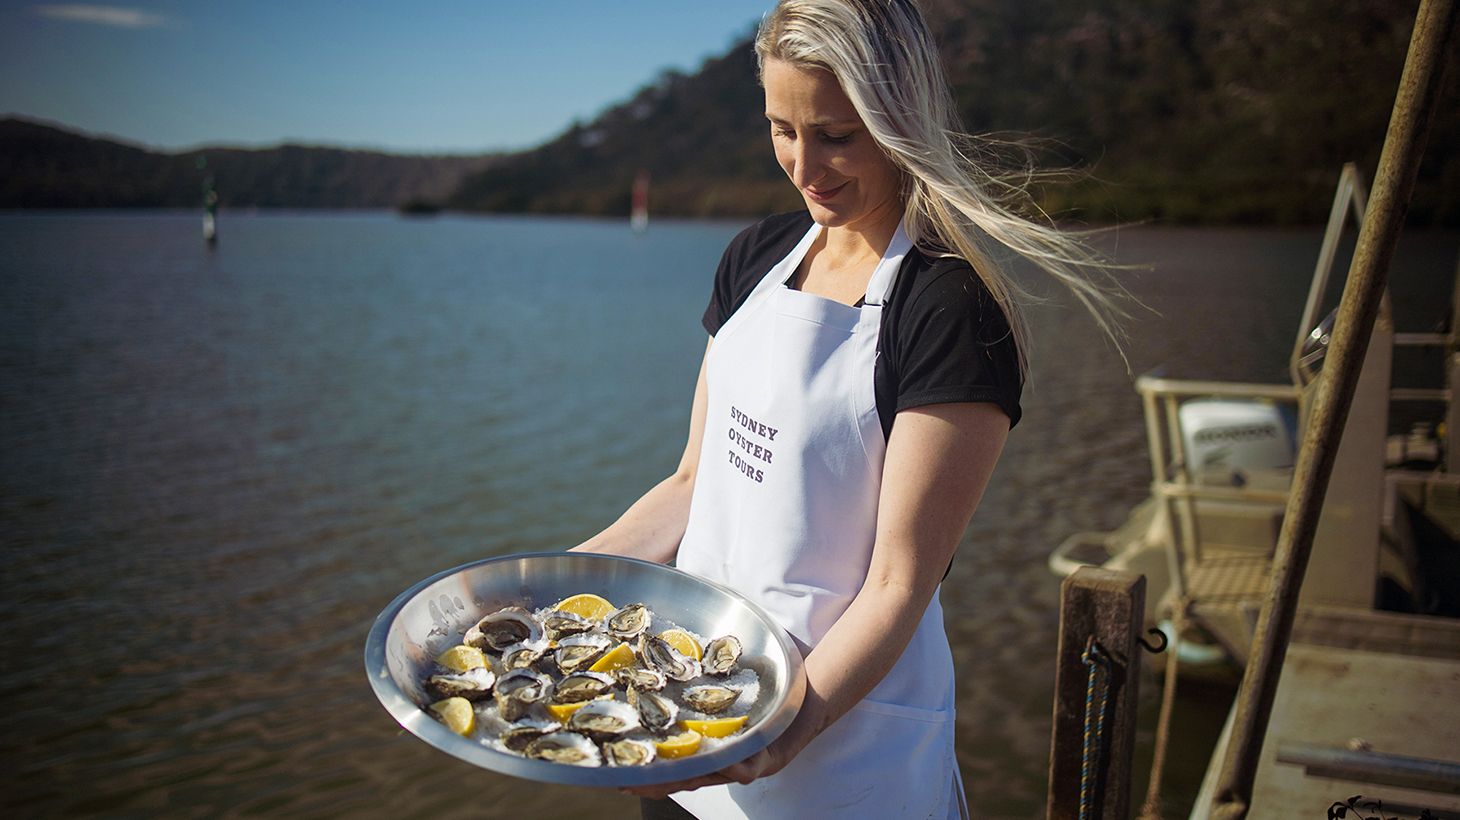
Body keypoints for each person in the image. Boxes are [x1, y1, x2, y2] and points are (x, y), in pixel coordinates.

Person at [572, 1, 1125, 817]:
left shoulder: (950, 308)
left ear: (901, 120)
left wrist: (784, 730)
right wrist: (547, 589)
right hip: (687, 720)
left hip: (841, 756)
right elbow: (693, 484)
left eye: (836, 134)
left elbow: (900, 582)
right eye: (781, 129)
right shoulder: (755, 257)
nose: (804, 166)